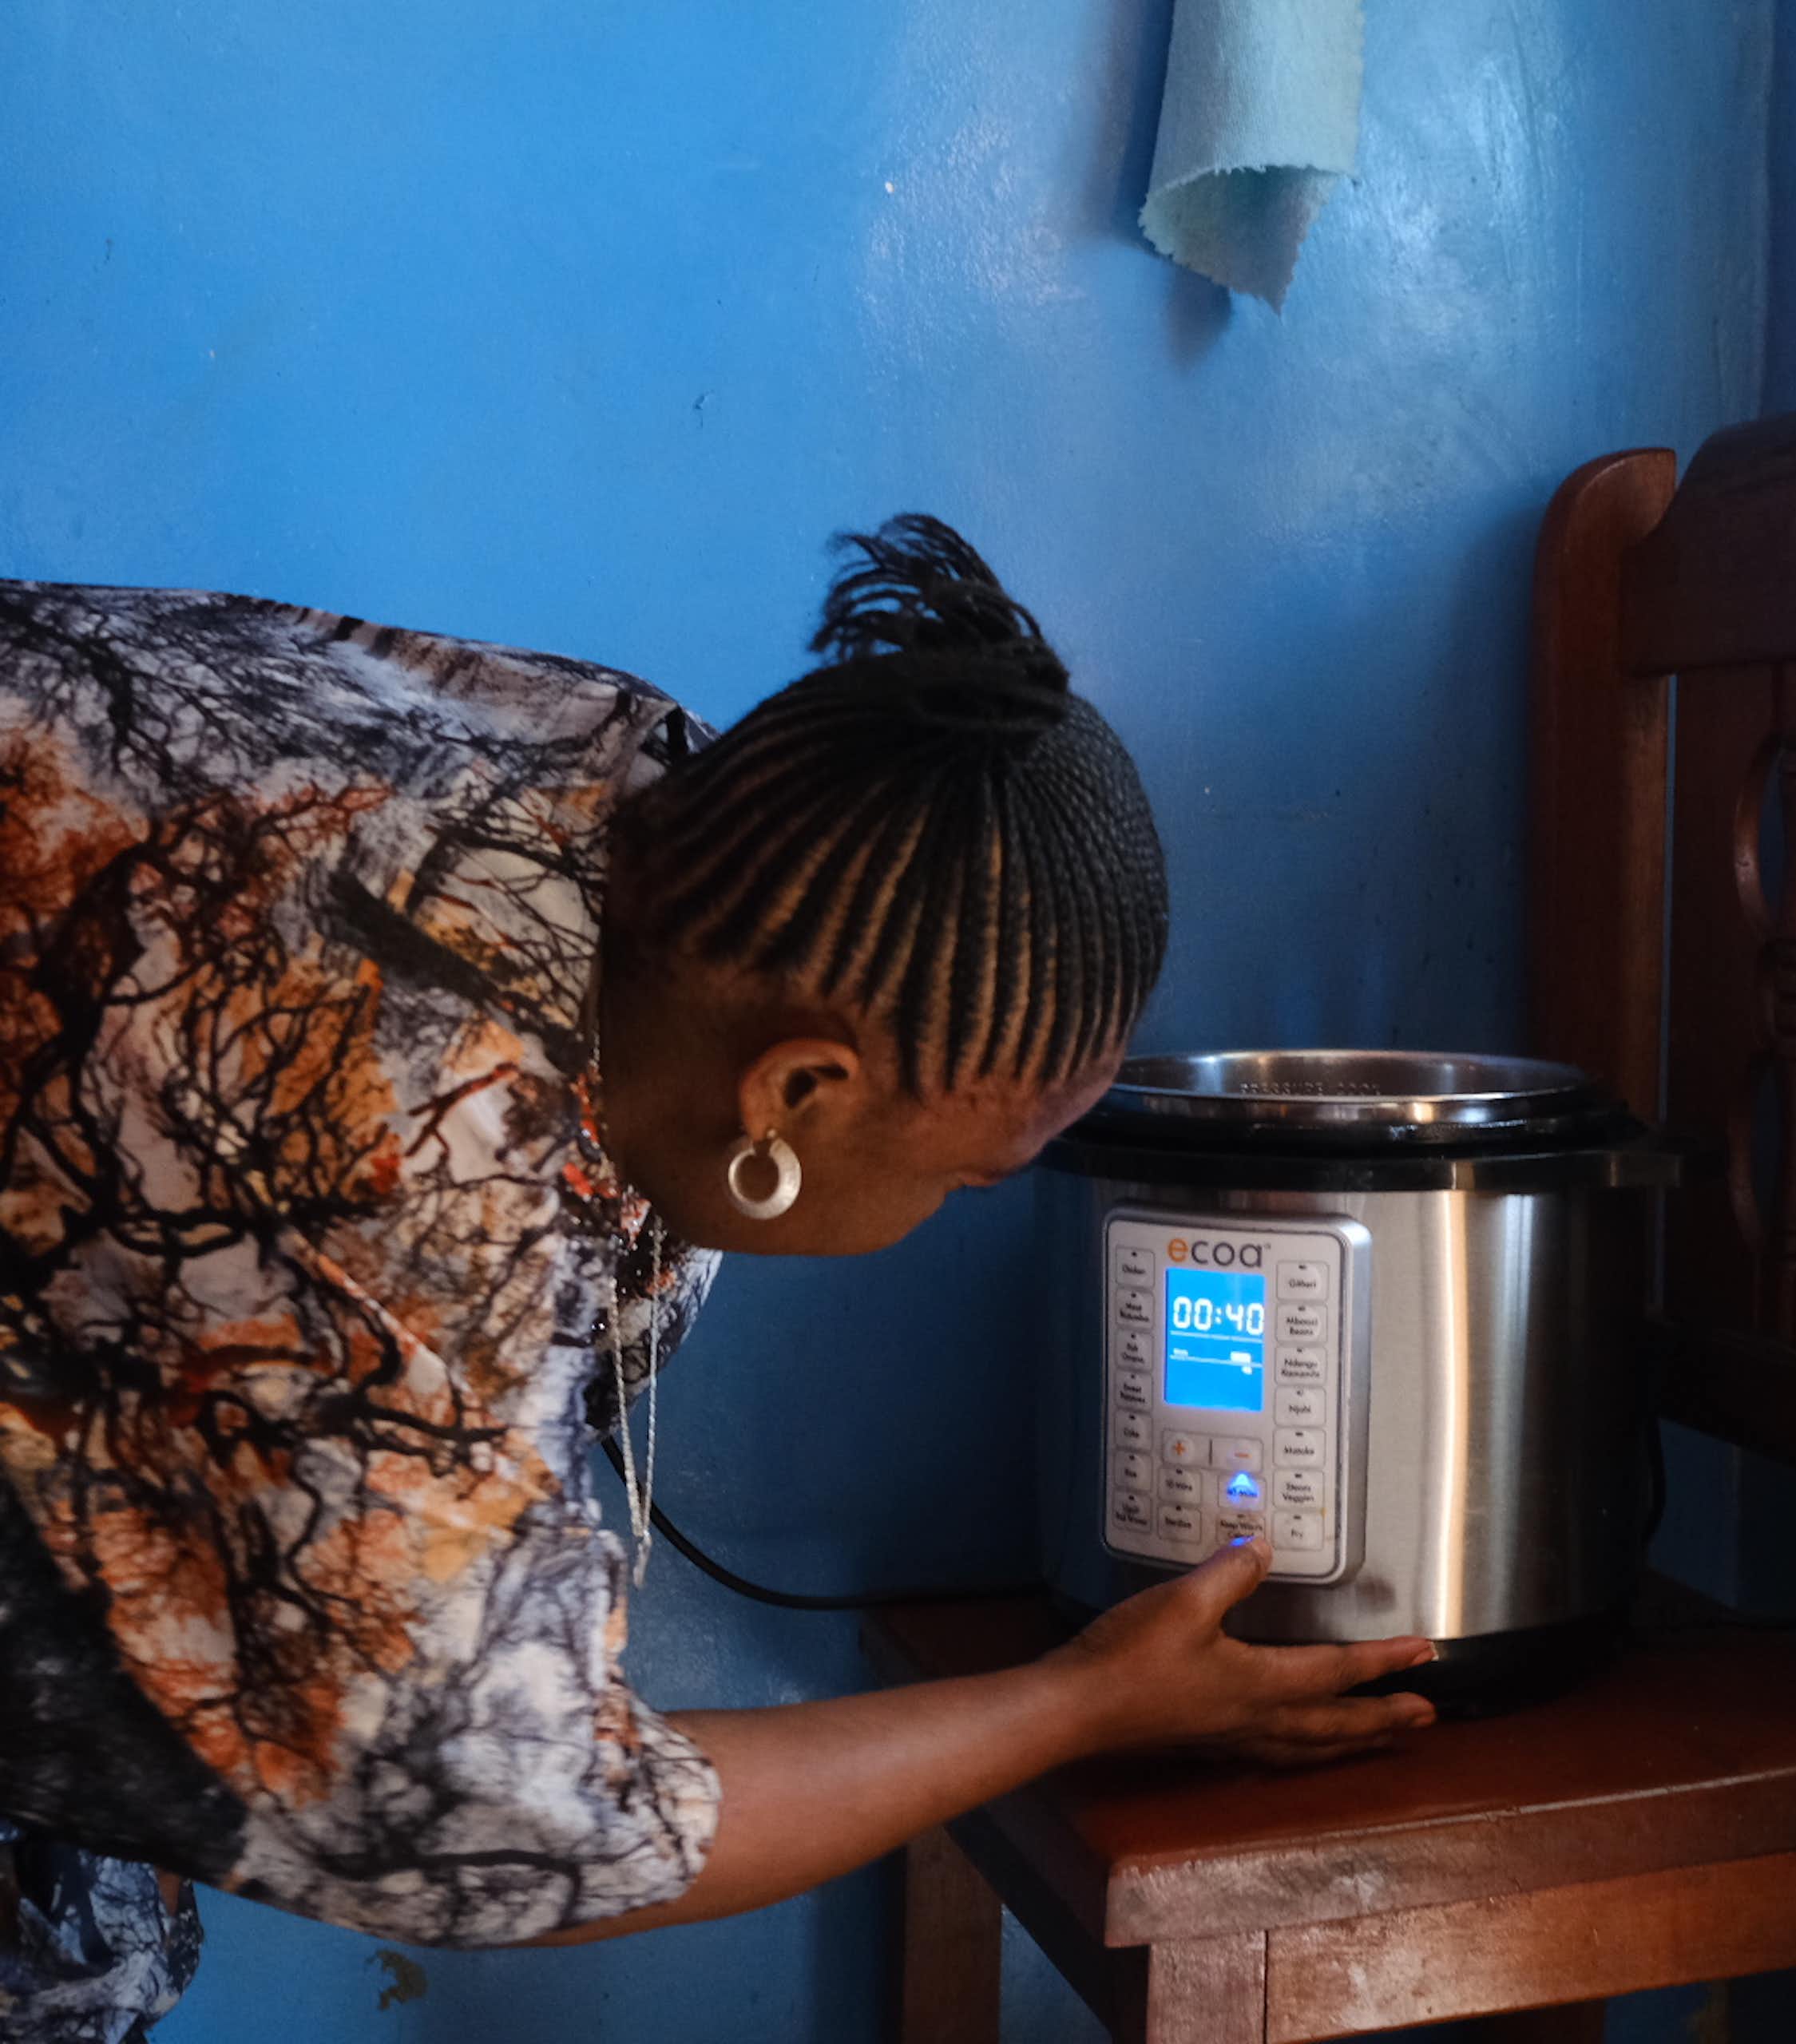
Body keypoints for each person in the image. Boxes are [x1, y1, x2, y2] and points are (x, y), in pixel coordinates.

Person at [0, 519, 1435, 2037]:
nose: (961, 1208)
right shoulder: (407, 1178)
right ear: (793, 1095)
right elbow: (535, 1824)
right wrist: (1084, 1700)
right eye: (971, 1173)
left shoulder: (646, 787)